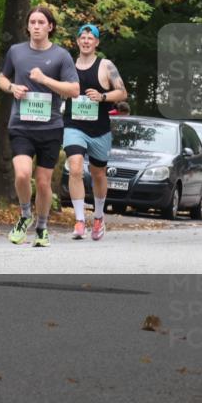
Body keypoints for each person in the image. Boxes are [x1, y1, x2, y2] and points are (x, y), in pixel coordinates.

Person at [0, 6, 79, 248]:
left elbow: (74, 90)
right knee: (22, 174)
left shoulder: (61, 56)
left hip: (50, 127)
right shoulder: (16, 52)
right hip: (21, 125)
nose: (36, 26)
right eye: (32, 22)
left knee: (43, 182)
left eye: (41, 22)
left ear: (50, 27)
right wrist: (12, 88)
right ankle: (25, 215)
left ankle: (42, 227)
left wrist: (44, 79)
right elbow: (1, 78)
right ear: (27, 26)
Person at [63, 23, 127, 241]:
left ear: (97, 42)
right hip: (73, 125)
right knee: (75, 168)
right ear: (77, 41)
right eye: (83, 37)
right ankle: (80, 220)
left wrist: (102, 97)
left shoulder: (106, 66)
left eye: (91, 38)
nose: (86, 41)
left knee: (98, 174)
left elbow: (122, 92)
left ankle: (98, 216)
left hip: (99, 129)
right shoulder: (68, 65)